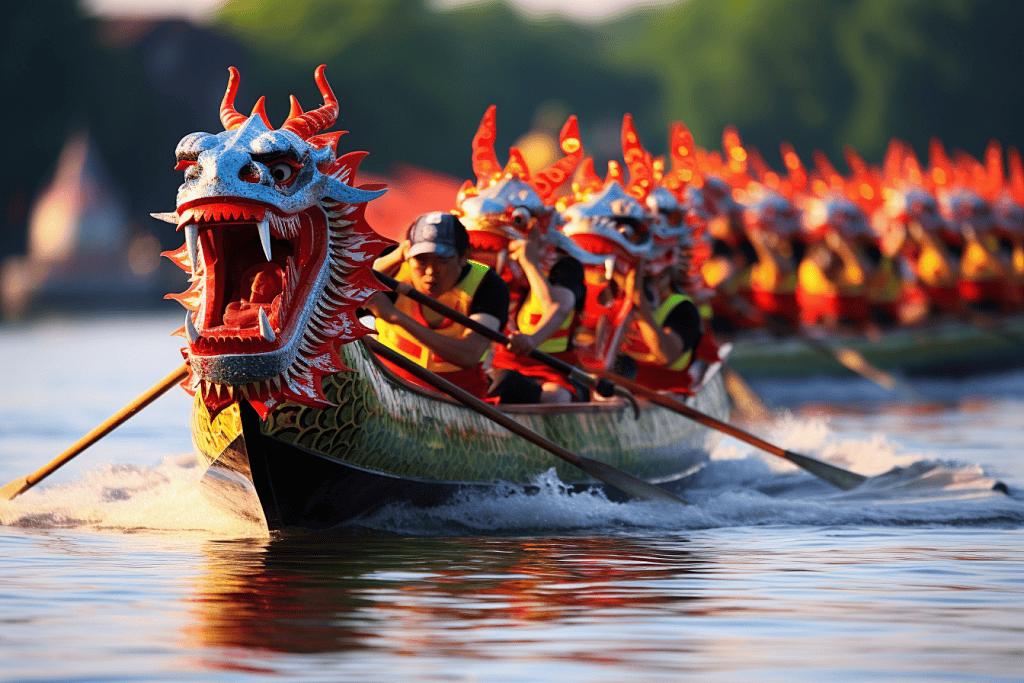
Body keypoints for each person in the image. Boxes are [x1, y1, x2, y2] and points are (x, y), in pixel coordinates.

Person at [364, 212, 509, 399]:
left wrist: (395, 317)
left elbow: (469, 355)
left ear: (463, 256)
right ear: (407, 253)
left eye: (442, 261)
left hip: (456, 400)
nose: (431, 272)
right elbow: (344, 286)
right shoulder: (392, 269)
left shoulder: (489, 286)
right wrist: (395, 257)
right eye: (421, 260)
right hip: (384, 386)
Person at [488, 229, 588, 403]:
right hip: (501, 364)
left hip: (553, 370)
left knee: (557, 396)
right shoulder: (497, 257)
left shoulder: (568, 267)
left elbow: (556, 307)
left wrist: (530, 264)